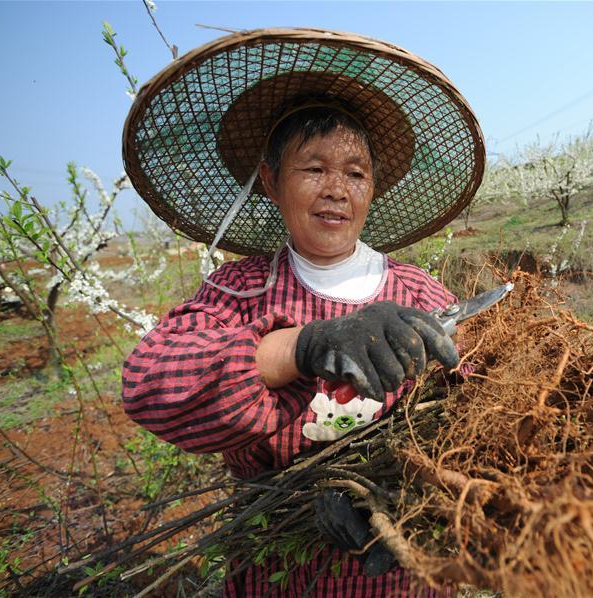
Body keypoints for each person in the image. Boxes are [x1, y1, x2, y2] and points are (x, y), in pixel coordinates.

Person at [120, 29, 484, 597]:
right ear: (270, 180)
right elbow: (150, 386)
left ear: (373, 188)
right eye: (313, 168)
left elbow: (480, 419)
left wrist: (406, 503)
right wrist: (302, 346)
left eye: (356, 173)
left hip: (395, 573)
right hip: (276, 566)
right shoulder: (239, 291)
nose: (336, 189)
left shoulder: (421, 295)